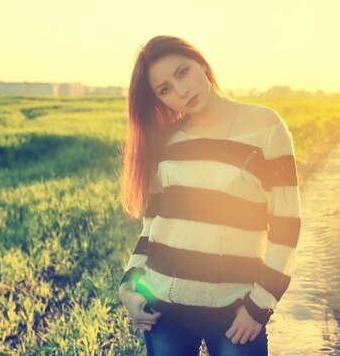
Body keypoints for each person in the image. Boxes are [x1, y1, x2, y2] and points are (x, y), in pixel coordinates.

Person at [117, 35, 302, 356]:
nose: (181, 91)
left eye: (182, 72)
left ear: (201, 63)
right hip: (163, 309)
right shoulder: (167, 141)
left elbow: (287, 225)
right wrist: (128, 285)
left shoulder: (266, 127)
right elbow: (153, 225)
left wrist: (260, 306)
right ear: (159, 101)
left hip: (233, 313)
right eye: (165, 90)